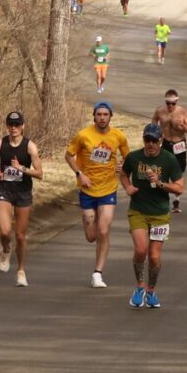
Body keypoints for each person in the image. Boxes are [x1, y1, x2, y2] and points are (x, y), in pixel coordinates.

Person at [65, 101, 130, 288]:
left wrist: (123, 167)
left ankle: (97, 273)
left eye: (105, 114)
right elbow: (68, 155)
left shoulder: (118, 136)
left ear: (111, 116)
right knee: (91, 236)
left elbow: (129, 157)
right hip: (87, 189)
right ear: (94, 116)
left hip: (108, 188)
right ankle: (89, 225)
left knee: (103, 230)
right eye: (99, 114)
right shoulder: (83, 135)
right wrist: (79, 174)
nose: (102, 118)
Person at [120, 123, 184, 309]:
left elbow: (180, 187)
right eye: (147, 140)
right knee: (141, 249)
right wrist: (127, 187)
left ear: (161, 141)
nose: (150, 144)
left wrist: (161, 183)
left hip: (160, 214)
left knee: (154, 256)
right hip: (138, 210)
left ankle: (151, 290)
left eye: (154, 140)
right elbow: (124, 174)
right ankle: (139, 287)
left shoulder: (169, 160)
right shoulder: (134, 157)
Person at [0, 111, 44, 286]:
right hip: (5, 190)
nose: (14, 128)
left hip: (23, 193)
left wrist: (22, 168)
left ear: (23, 126)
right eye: (11, 124)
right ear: (7, 125)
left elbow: (39, 173)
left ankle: (21, 270)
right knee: (5, 232)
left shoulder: (30, 147)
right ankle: (6, 249)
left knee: (20, 236)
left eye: (17, 125)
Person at [152, 89, 187, 213]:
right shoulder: (160, 111)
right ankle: (161, 199)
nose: (170, 106)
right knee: (162, 170)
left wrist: (183, 125)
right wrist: (158, 131)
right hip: (165, 143)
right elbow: (154, 120)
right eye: (168, 103)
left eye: (173, 103)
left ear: (177, 101)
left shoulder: (183, 112)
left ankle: (176, 200)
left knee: (178, 172)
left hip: (179, 144)